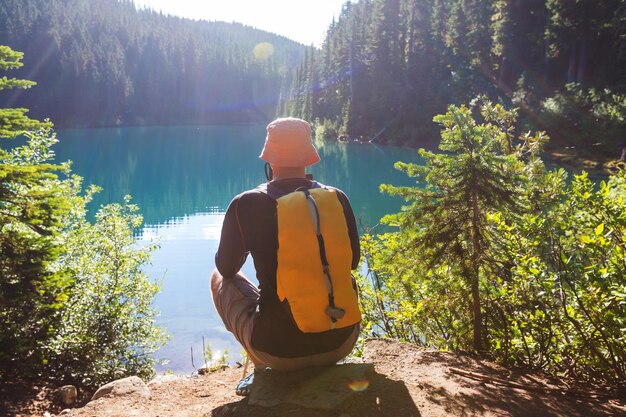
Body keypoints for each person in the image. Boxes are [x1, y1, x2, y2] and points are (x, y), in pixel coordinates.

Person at [211, 117, 361, 395]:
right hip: (342, 342)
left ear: (269, 159)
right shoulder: (337, 198)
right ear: (308, 157)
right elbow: (352, 264)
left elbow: (227, 268)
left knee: (218, 277)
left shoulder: (247, 203)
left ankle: (260, 365)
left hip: (279, 352)